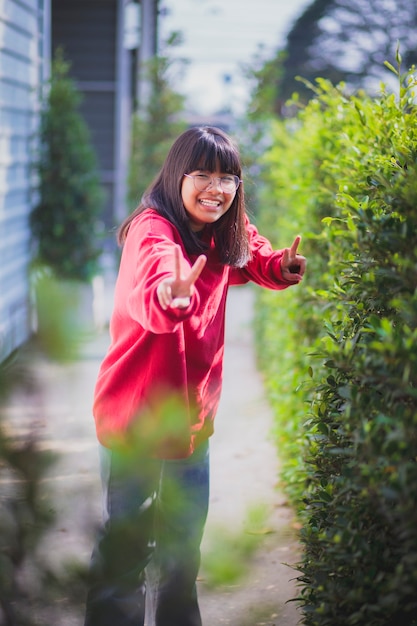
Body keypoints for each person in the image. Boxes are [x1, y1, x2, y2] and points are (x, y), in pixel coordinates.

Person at [84, 126, 306, 626]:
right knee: (127, 549)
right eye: (203, 174)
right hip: (136, 417)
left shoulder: (225, 227)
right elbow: (154, 282)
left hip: (192, 417)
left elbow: (254, 253)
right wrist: (172, 296)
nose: (217, 187)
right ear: (176, 176)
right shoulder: (153, 229)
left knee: (183, 551)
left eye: (228, 176)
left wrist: (281, 265)